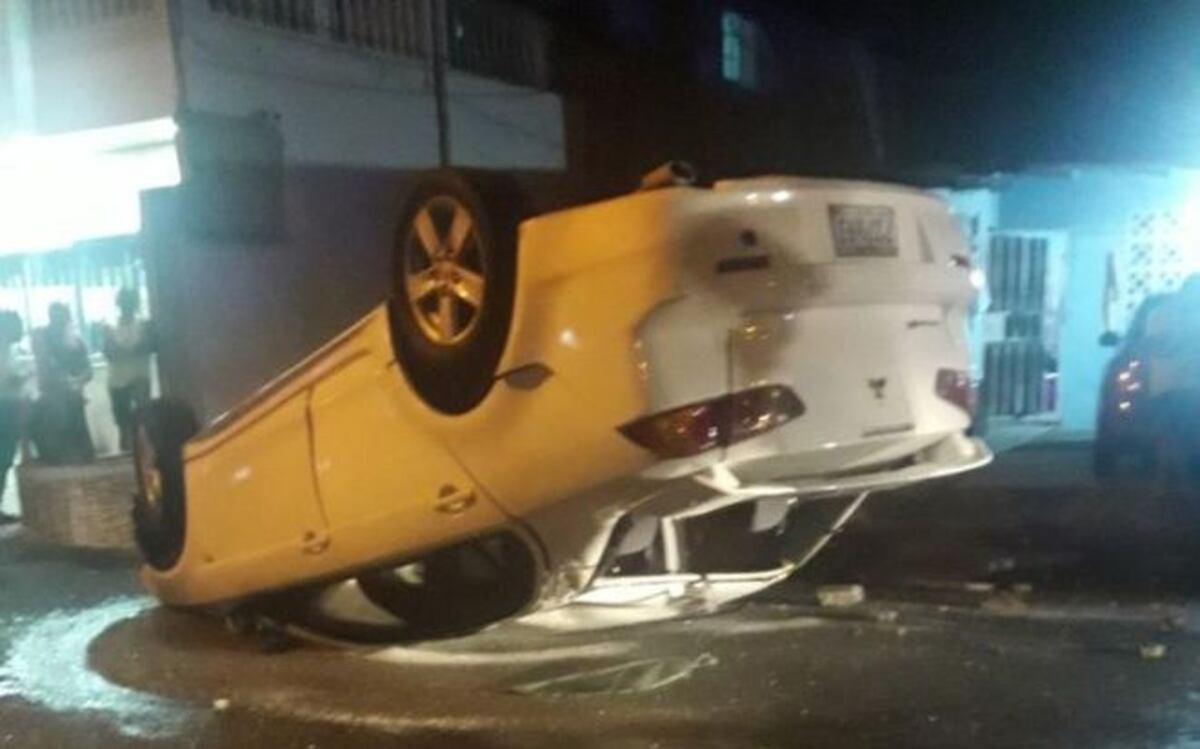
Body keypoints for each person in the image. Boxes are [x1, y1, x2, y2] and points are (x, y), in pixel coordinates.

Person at [30, 303, 94, 464]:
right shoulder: (41, 336)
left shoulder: (76, 342)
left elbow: (88, 371)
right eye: (56, 319)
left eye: (62, 319)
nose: (59, 323)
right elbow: (45, 366)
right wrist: (64, 381)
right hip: (51, 398)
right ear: (50, 318)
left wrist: (76, 381)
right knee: (58, 447)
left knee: (79, 446)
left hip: (73, 396)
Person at [102, 288, 155, 453]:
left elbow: (148, 347)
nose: (127, 306)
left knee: (143, 419)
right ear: (119, 304)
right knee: (122, 423)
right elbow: (109, 353)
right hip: (117, 381)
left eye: (130, 302)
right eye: (124, 302)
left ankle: (144, 452)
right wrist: (132, 351)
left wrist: (122, 352)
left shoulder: (144, 325)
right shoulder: (109, 327)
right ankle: (126, 454)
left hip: (139, 378)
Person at [0, 311, 28, 524]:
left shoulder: (9, 349)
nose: (21, 331)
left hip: (9, 406)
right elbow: (7, 379)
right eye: (18, 326)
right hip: (5, 407)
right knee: (3, 458)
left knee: (5, 460)